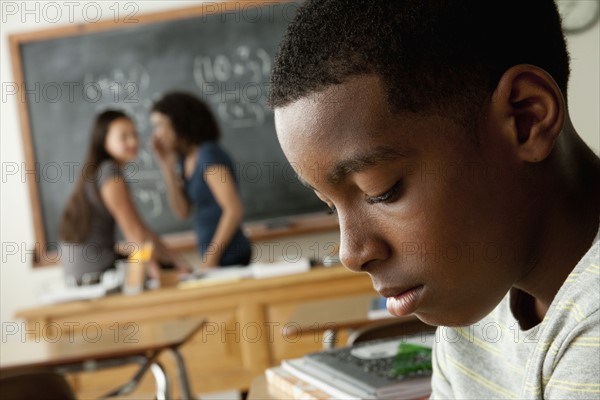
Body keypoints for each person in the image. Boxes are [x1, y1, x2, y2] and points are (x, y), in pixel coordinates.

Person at [268, 1, 600, 399]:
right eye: (329, 205)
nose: (351, 253)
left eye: (382, 190)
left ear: (525, 120)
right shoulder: (481, 286)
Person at [59, 110, 192, 285]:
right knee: (162, 272)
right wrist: (156, 270)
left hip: (77, 274)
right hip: (96, 274)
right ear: (103, 140)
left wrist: (175, 259)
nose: (133, 141)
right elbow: (133, 233)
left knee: (165, 265)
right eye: (124, 137)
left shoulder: (96, 171)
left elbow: (140, 227)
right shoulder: (110, 173)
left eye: (134, 135)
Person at [151, 92, 252, 267]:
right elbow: (182, 211)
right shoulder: (185, 159)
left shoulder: (208, 154)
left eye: (160, 125)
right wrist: (166, 167)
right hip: (215, 258)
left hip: (229, 257)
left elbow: (233, 210)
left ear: (179, 122)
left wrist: (210, 259)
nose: (157, 135)